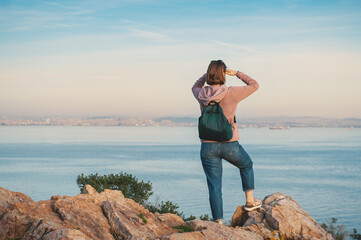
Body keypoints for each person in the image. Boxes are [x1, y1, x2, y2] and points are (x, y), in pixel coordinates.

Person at [191, 60, 261, 225]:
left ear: (209, 74)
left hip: (207, 146)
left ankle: (218, 224)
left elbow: (194, 85)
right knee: (246, 165)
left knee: (214, 186)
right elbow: (254, 84)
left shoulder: (201, 94)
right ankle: (250, 201)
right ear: (224, 74)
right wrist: (236, 73)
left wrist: (207, 75)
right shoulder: (232, 92)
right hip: (230, 143)